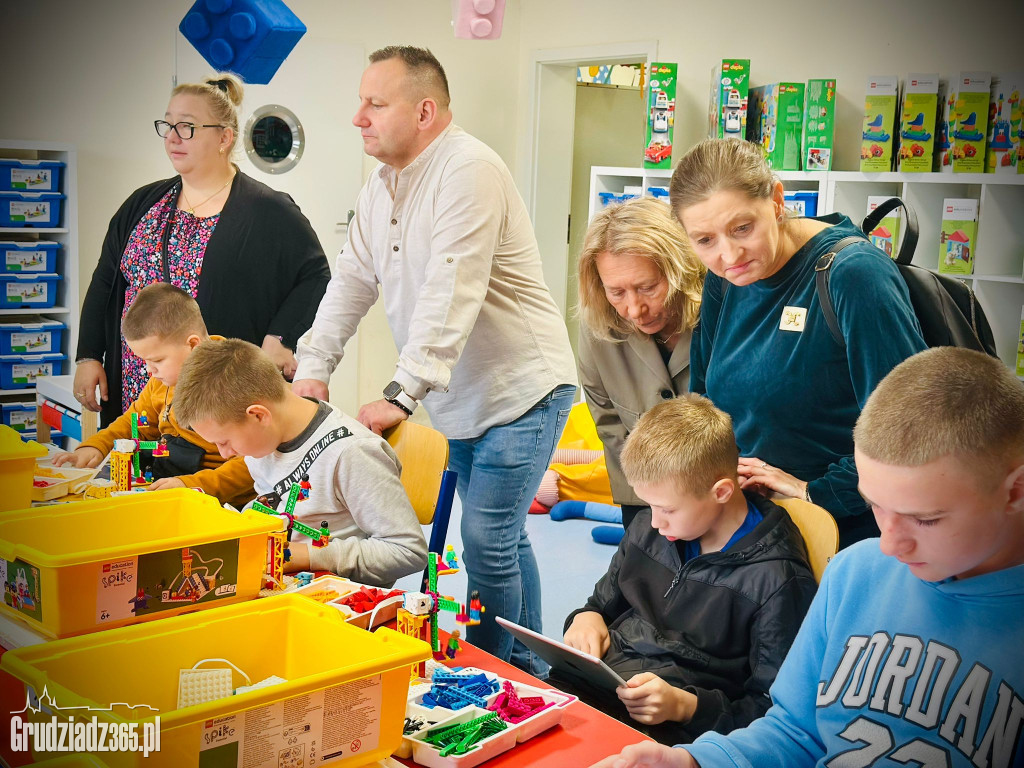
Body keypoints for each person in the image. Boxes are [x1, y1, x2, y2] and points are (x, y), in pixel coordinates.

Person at [590, 347, 1024, 768]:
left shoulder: (784, 574)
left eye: (925, 519)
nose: (889, 546)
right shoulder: (854, 572)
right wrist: (695, 761)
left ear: (1016, 491)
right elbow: (794, 730)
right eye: (875, 505)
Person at [291, 46, 576, 672]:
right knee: (501, 538)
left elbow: (453, 288)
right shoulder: (382, 185)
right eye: (360, 101)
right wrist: (314, 365)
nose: (358, 117)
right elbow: (351, 281)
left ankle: (486, 672)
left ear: (424, 111)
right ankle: (536, 670)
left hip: (521, 387)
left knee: (485, 540)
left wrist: (401, 393)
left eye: (375, 103)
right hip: (462, 392)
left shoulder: (467, 169)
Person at [671, 138, 927, 547]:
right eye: (705, 240)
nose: (729, 253)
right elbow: (703, 400)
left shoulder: (853, 274)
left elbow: (910, 425)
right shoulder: (725, 277)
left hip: (847, 527)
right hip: (757, 521)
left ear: (776, 200)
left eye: (743, 228)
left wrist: (813, 491)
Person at [75, 72, 330, 427]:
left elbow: (316, 275)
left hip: (217, 397)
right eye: (168, 125)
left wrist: (281, 338)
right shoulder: (142, 204)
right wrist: (88, 356)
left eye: (188, 127)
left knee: (204, 477)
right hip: (137, 389)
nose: (173, 137)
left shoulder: (267, 209)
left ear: (224, 137)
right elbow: (105, 280)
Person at [558, 394, 816, 745]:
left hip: (679, 732)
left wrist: (686, 707)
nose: (654, 521)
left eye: (667, 509)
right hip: (597, 690)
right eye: (649, 505)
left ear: (721, 492)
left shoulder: (777, 580)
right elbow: (600, 605)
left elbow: (772, 713)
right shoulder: (653, 526)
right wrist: (585, 617)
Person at [174, 338, 428, 588]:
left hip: (336, 605)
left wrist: (305, 557)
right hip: (276, 583)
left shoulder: (352, 453)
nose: (225, 453)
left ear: (258, 415)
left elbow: (407, 551)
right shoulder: (264, 442)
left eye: (225, 441)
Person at [53, 283, 253, 507]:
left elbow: (251, 464)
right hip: (168, 483)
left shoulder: (235, 382)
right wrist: (97, 446)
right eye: (144, 360)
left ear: (193, 345)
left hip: (218, 501)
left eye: (157, 360)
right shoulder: (161, 382)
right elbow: (134, 420)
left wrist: (192, 485)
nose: (149, 370)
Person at [577, 197, 705, 530]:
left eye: (647, 287)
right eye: (616, 292)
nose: (634, 309)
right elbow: (607, 419)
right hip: (642, 493)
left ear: (680, 270)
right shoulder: (597, 325)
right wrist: (656, 485)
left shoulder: (721, 310)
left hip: (719, 492)